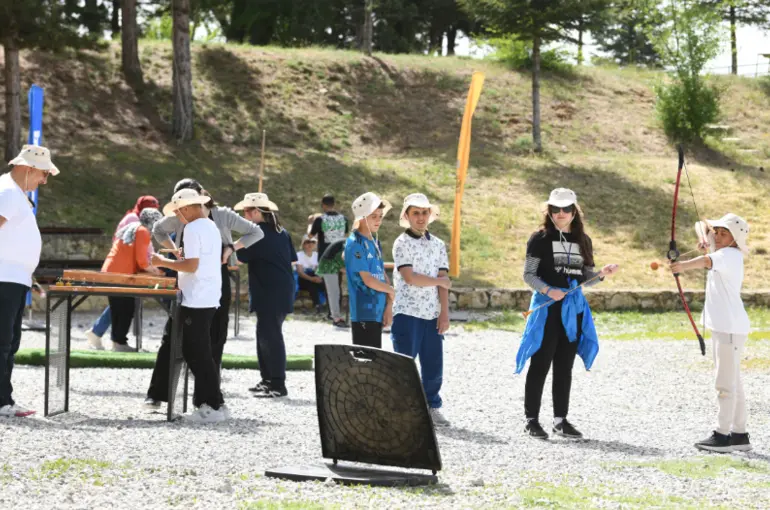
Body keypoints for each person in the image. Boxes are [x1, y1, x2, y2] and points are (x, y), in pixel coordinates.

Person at [144, 182, 263, 408]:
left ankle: (206, 398)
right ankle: (159, 393)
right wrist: (174, 248)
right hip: (185, 272)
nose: (179, 212)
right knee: (172, 336)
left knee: (213, 339)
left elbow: (255, 232)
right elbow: (158, 230)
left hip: (213, 275)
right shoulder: (183, 219)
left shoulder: (222, 215)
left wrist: (231, 248)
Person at [517, 188, 618, 440]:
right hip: (546, 308)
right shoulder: (538, 239)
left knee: (564, 365)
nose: (560, 214)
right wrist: (548, 290)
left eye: (566, 209)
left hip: (573, 310)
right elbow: (529, 275)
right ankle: (531, 420)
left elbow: (587, 278)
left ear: (574, 211)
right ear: (549, 211)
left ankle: (560, 420)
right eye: (555, 209)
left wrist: (601, 274)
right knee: (540, 363)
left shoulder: (584, 240)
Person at [670, 213, 752, 453]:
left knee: (725, 384)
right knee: (733, 381)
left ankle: (722, 435)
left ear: (735, 239)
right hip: (727, 327)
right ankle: (739, 434)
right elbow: (700, 225)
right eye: (717, 231)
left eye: (723, 232)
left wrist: (681, 266)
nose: (717, 234)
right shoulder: (722, 251)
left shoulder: (729, 255)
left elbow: (705, 261)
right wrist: (708, 239)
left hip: (728, 327)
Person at [151, 188, 226, 423]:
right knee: (200, 352)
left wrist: (164, 261)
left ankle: (211, 405)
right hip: (208, 294)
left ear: (185, 208)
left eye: (178, 213)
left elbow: (191, 266)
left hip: (196, 297)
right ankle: (214, 403)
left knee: (198, 353)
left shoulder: (193, 228)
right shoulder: (210, 225)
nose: (178, 218)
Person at [0, 145, 60, 418]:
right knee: (3, 341)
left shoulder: (15, 193)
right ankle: (1, 402)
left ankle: (4, 399)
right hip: (4, 278)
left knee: (9, 342)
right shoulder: (9, 192)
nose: (45, 181)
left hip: (14, 278)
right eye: (44, 174)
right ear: (29, 168)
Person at [391, 193, 452, 427]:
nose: (421, 217)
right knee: (405, 363)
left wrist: (444, 312)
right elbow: (409, 277)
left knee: (433, 363)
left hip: (431, 314)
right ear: (406, 216)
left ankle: (432, 406)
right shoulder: (401, 243)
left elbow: (443, 279)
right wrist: (439, 282)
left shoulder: (438, 244)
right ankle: (403, 409)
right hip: (407, 312)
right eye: (415, 212)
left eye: (424, 212)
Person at [235, 193, 296, 398]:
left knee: (270, 336)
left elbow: (239, 256)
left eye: (247, 211)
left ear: (257, 212)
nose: (244, 214)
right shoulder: (281, 231)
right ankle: (267, 379)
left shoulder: (258, 232)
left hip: (271, 290)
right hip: (277, 288)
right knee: (264, 334)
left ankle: (278, 383)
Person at [86, 195, 161, 350]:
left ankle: (117, 341)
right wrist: (157, 271)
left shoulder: (134, 227)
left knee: (120, 307)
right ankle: (119, 342)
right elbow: (142, 261)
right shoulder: (142, 231)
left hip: (113, 271)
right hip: (120, 274)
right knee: (126, 307)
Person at [344, 192, 394, 349]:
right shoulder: (354, 243)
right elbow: (368, 279)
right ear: (362, 217)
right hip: (363, 311)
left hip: (378, 310)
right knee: (365, 363)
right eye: (374, 216)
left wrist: (389, 305)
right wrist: (391, 290)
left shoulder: (374, 241)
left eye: (380, 215)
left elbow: (382, 273)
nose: (379, 220)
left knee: (374, 360)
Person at [311, 194, 349, 328]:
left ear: (323, 205)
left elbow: (311, 235)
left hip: (326, 256)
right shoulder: (344, 219)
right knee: (337, 286)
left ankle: (335, 315)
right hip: (341, 255)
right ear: (334, 204)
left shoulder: (320, 219)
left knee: (331, 288)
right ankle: (334, 313)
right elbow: (344, 235)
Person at [296, 235, 325, 312]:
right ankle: (318, 305)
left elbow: (318, 270)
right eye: (308, 242)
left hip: (313, 277)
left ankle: (329, 306)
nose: (310, 244)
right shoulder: (299, 255)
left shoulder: (316, 255)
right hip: (303, 279)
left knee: (325, 283)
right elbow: (300, 272)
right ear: (303, 244)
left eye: (313, 242)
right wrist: (312, 279)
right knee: (311, 284)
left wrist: (319, 278)